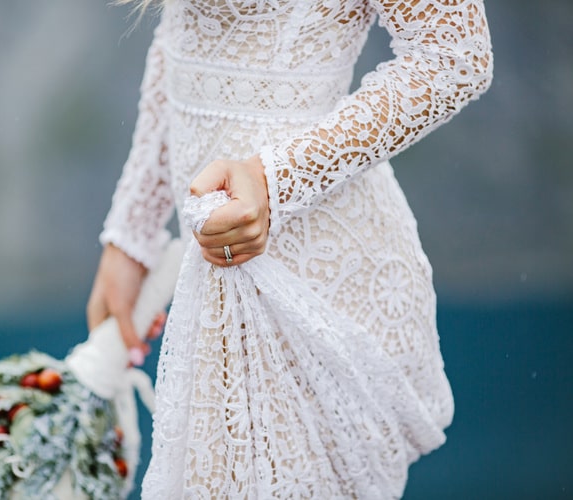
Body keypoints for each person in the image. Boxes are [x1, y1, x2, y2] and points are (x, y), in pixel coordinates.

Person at [87, 0, 492, 497]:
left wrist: (273, 179)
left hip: (317, 285)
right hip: (213, 283)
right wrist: (132, 233)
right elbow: (180, 36)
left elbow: (454, 54)